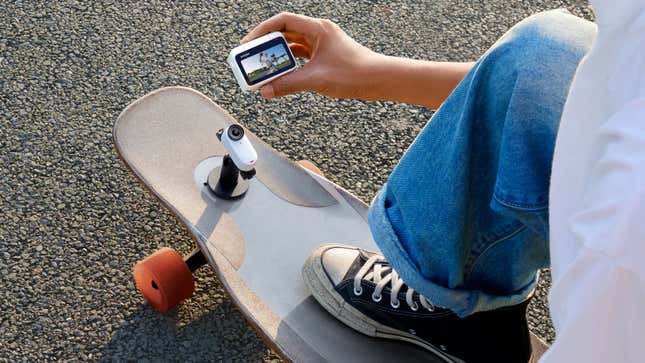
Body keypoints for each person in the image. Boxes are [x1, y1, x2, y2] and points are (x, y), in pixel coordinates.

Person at [241, 3, 645, 362]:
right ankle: (488, 320)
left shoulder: (621, 238)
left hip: (622, 288)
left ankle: (458, 315)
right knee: (545, 54)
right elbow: (586, 90)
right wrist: (367, 73)